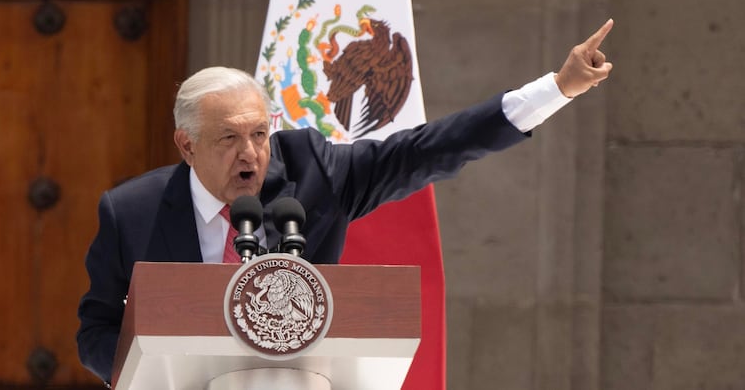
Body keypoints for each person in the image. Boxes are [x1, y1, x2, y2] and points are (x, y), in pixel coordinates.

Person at [77, 19, 614, 384]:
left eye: (260, 135)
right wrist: (146, 378)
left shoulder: (312, 173)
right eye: (229, 139)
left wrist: (556, 89)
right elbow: (96, 332)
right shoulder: (131, 212)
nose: (251, 154)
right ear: (186, 144)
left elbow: (427, 150)